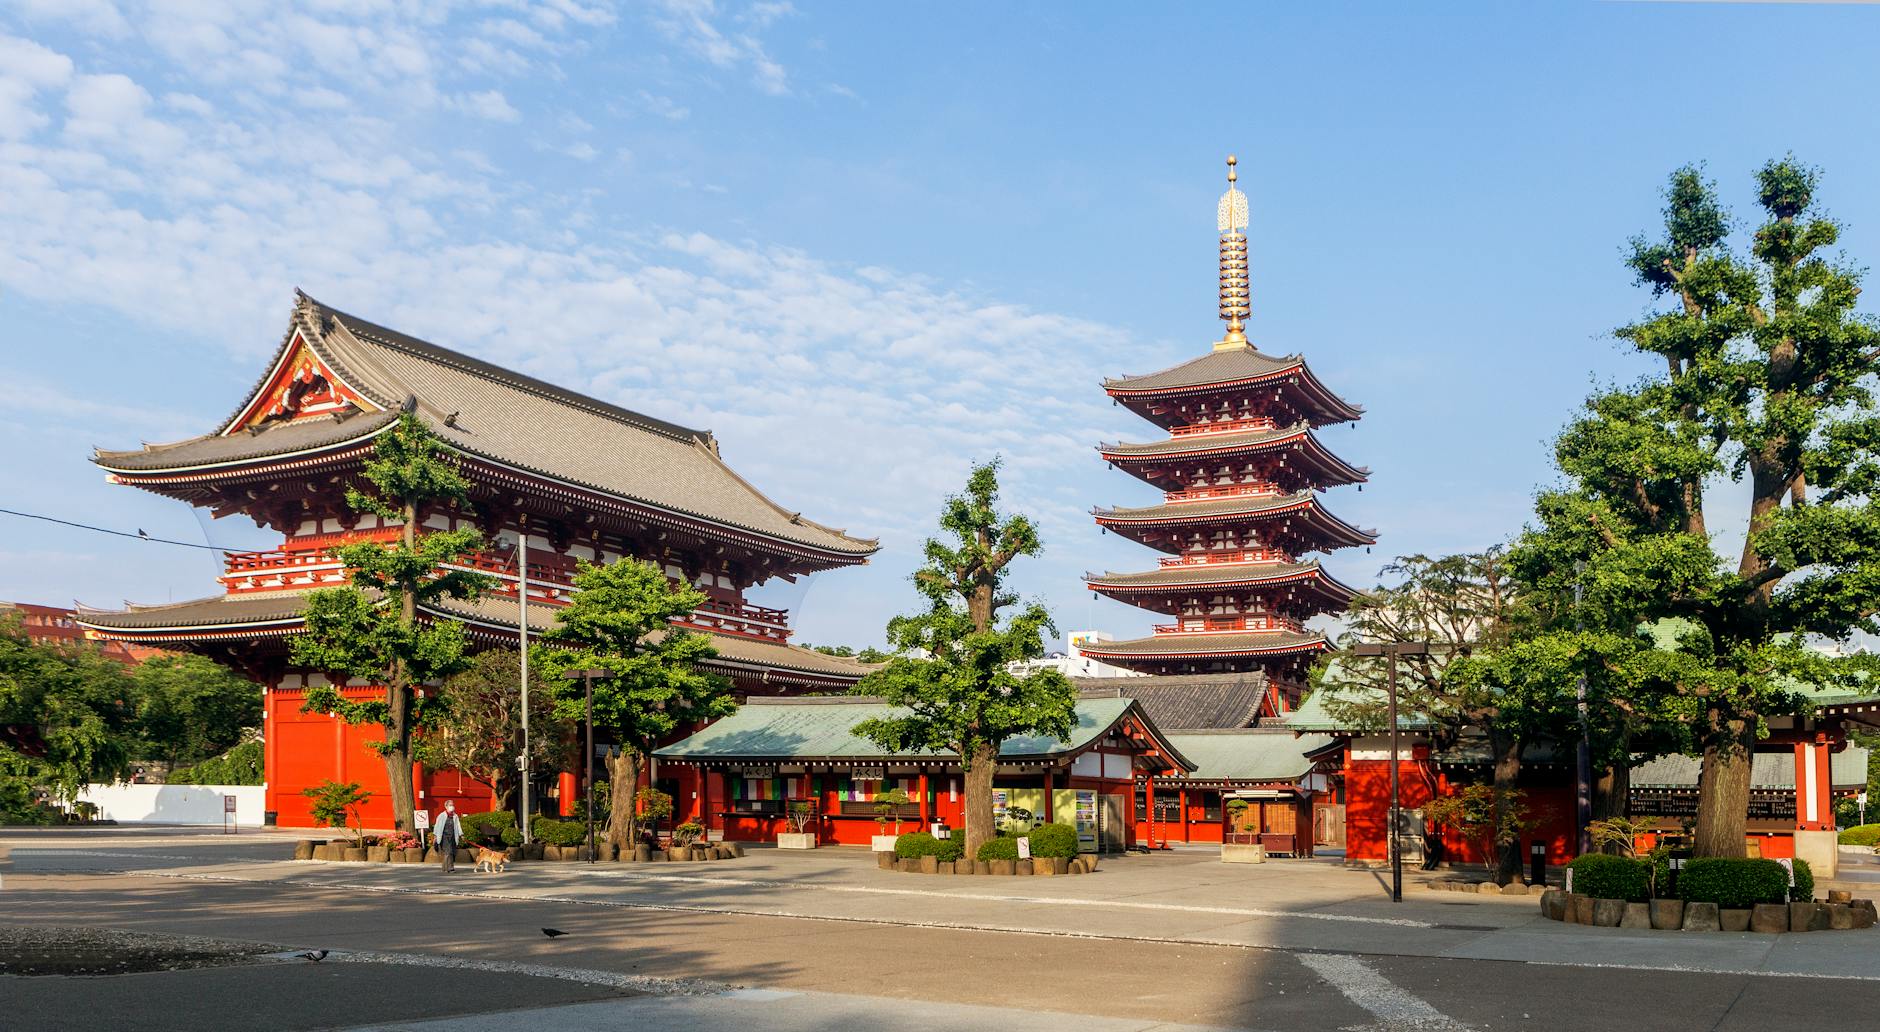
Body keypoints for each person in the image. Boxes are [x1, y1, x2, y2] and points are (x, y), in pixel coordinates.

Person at [435, 800, 463, 873]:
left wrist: (461, 834)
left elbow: (458, 826)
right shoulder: (441, 815)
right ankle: (450, 868)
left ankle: (444, 868)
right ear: (446, 806)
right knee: (448, 852)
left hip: (453, 836)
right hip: (444, 836)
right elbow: (437, 826)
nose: (452, 806)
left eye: (452, 805)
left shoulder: (455, 816)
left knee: (451, 852)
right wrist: (435, 836)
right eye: (450, 805)